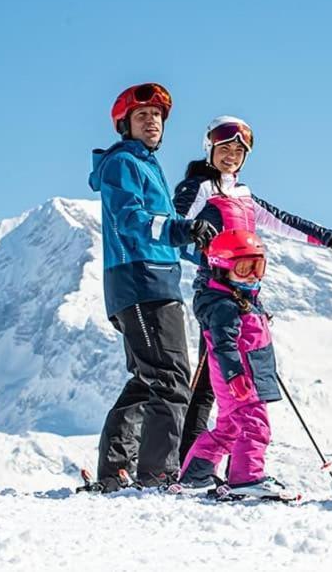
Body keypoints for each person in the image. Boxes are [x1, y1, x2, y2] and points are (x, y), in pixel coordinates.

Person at [172, 116, 332, 461]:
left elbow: (286, 222)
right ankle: (184, 461)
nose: (231, 155)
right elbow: (173, 229)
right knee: (209, 380)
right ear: (209, 149)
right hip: (215, 289)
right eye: (224, 148)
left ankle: (206, 466)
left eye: (239, 151)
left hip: (246, 290)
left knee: (223, 381)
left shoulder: (243, 195)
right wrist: (200, 245)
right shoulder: (197, 188)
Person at [88, 82, 216, 491]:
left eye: (158, 116)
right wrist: (182, 229)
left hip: (155, 279)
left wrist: (208, 256)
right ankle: (158, 473)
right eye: (143, 116)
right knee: (170, 377)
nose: (152, 122)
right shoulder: (123, 162)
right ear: (124, 124)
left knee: (149, 377)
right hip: (140, 280)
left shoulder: (146, 164)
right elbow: (132, 219)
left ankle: (116, 469)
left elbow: (164, 234)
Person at [177, 229, 290, 497]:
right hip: (240, 379)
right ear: (222, 268)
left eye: (258, 266)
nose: (252, 274)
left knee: (228, 429)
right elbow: (224, 345)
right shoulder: (225, 306)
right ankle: (247, 479)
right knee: (254, 425)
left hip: (247, 375)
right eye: (243, 268)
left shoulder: (242, 299)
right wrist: (235, 375)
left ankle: (196, 474)